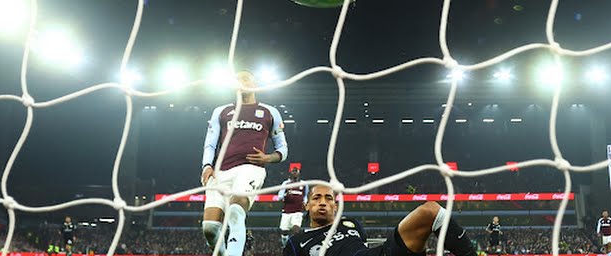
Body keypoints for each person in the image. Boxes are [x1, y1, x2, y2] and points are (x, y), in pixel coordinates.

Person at [201, 70, 289, 256]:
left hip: (251, 169)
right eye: (237, 80)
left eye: (245, 79)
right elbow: (210, 143)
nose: (241, 82)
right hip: (220, 172)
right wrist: (207, 165)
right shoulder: (221, 111)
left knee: (235, 211)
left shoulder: (270, 112)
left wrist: (268, 158)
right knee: (210, 228)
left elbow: (282, 148)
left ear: (255, 84)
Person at [284, 184, 477, 256]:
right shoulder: (296, 242)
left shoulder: (350, 224)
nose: (323, 202)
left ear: (336, 206)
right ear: (306, 205)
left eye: (328, 198)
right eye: (316, 198)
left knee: (430, 210)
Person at [277, 167, 308, 248]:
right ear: (290, 173)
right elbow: (279, 197)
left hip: (298, 211)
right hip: (286, 211)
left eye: (296, 171)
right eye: (293, 171)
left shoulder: (304, 184)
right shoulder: (286, 183)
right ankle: (285, 246)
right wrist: (285, 195)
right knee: (284, 231)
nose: (295, 173)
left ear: (299, 173)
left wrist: (305, 202)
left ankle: (296, 246)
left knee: (296, 229)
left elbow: (305, 195)